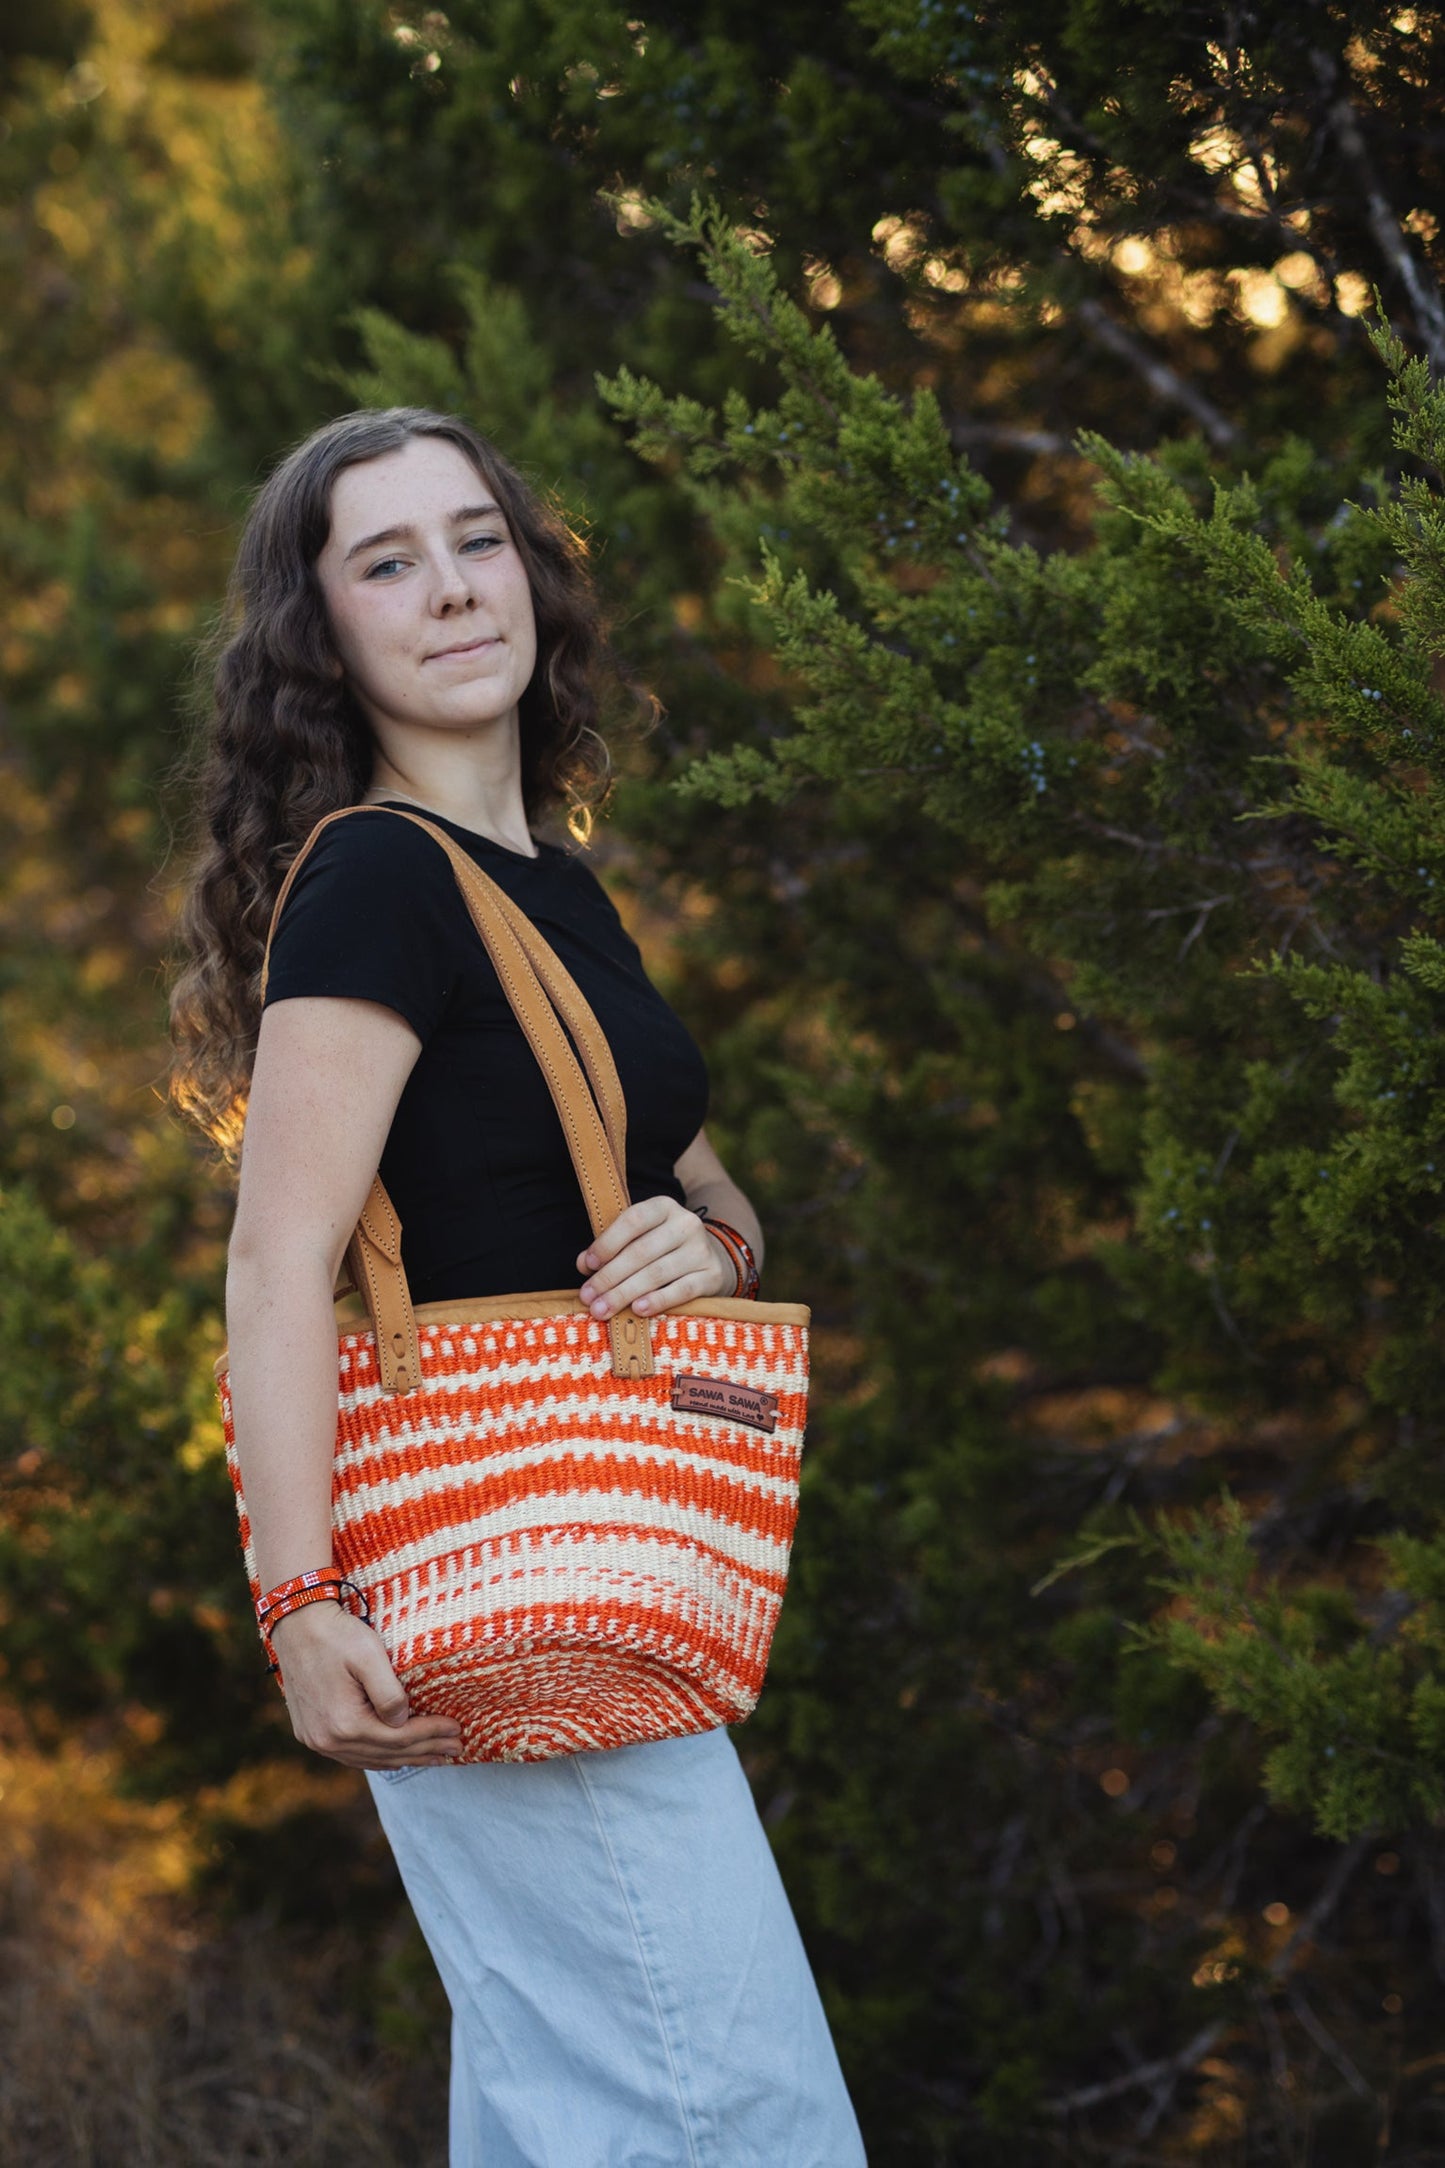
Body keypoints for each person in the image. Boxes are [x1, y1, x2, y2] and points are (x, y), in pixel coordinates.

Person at [169, 406, 867, 2167]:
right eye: (386, 562)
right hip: (498, 1581)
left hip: (597, 1563)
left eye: (477, 538)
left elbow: (699, 1188)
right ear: (322, 636)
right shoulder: (378, 878)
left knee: (571, 2114)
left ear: (533, 573)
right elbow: (277, 1258)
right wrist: (296, 1600)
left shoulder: (552, 886)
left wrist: (711, 1247)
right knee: (734, 2118)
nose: (453, 587)